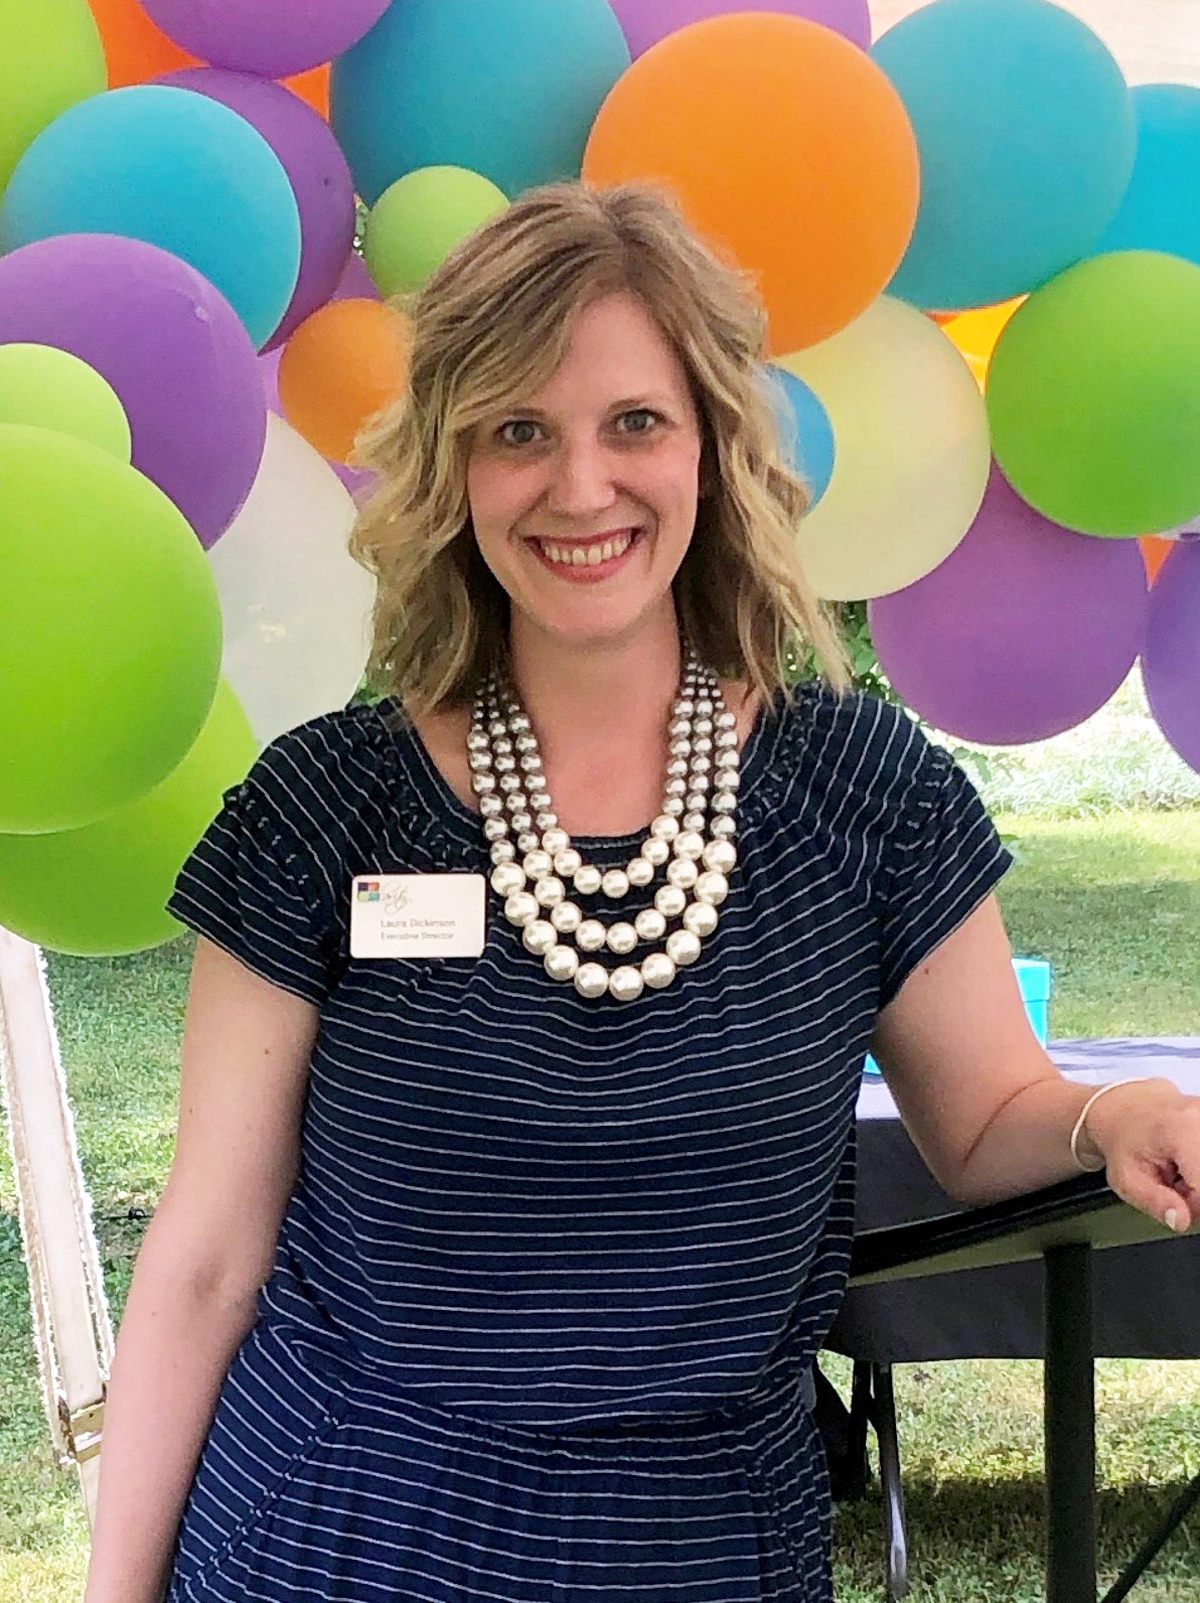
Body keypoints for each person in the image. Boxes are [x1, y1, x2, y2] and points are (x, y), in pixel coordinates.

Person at [83, 179, 1200, 1603]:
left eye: (634, 423)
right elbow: (205, 1262)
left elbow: (984, 1121)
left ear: (714, 448)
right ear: (453, 465)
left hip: (703, 1550)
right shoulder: (324, 807)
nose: (580, 487)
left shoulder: (865, 794)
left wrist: (1120, 1114)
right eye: (518, 430)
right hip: (338, 1535)